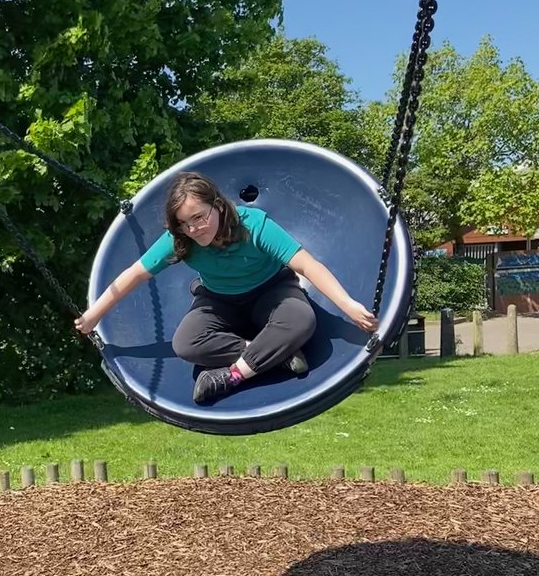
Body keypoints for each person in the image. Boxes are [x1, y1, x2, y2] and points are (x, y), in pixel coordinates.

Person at [75, 172, 378, 405]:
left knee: (301, 320)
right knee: (187, 344)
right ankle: (274, 353)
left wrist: (348, 305)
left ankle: (231, 376)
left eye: (199, 217)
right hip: (220, 301)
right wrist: (93, 316)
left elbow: (306, 265)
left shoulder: (254, 225)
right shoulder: (180, 241)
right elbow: (135, 274)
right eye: (184, 223)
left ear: (218, 206)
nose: (194, 229)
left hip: (271, 291)